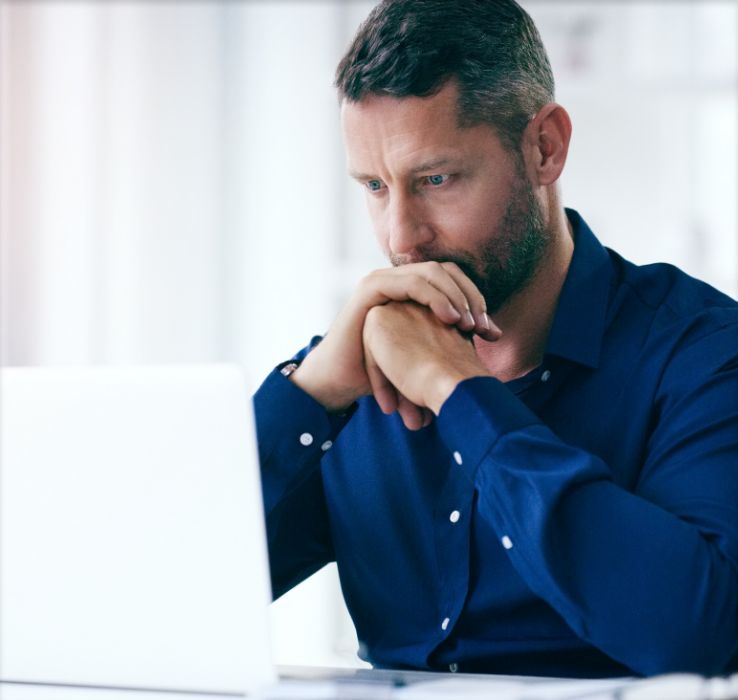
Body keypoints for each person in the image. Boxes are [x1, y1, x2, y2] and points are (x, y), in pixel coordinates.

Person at [253, 0, 738, 678]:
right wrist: (313, 393)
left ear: (545, 147)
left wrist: (461, 395)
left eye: (436, 180)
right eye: (374, 186)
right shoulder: (352, 376)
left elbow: (700, 635)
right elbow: (168, 595)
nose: (401, 237)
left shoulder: (703, 355)